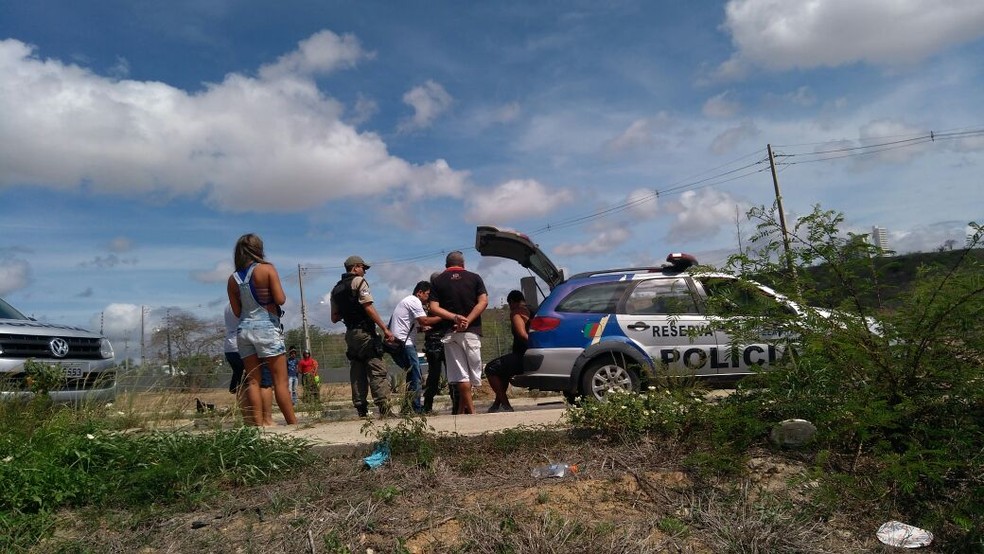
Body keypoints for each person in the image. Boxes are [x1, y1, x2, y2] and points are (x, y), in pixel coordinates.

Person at [227, 233, 297, 425]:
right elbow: (280, 299)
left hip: (244, 330)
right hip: (266, 327)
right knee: (280, 381)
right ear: (258, 249)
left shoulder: (232, 279)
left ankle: (258, 426)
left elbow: (236, 311)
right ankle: (292, 423)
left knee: (253, 381)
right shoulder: (267, 269)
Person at [331, 255, 394, 417]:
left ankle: (361, 409)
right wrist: (385, 328)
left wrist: (348, 310)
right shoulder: (359, 282)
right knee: (376, 367)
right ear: (355, 268)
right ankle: (384, 408)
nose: (365, 271)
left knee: (357, 370)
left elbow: (334, 318)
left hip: (350, 334)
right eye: (363, 268)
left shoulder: (335, 289)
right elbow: (368, 307)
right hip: (365, 333)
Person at [428, 251, 488, 415]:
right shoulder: (475, 278)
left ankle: (462, 410)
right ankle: (472, 412)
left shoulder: (438, 281)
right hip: (471, 331)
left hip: (451, 332)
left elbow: (433, 308)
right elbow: (483, 302)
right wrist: (467, 320)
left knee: (462, 374)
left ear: (446, 265)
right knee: (471, 374)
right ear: (463, 264)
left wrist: (455, 318)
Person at [388, 281, 442, 413]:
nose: (428, 298)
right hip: (405, 344)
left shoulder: (407, 301)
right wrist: (443, 316)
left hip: (399, 344)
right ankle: (416, 408)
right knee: (416, 376)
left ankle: (408, 407)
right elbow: (424, 321)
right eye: (427, 294)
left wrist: (423, 328)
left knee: (411, 375)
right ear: (420, 293)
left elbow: (416, 326)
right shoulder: (414, 301)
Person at [224, 303, 275, 425]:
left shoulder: (228, 305)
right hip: (248, 345)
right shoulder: (248, 301)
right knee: (264, 382)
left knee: (242, 384)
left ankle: (248, 420)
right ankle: (266, 420)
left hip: (230, 346)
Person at [485, 290, 530, 413]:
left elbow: (522, 334)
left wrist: (531, 345)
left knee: (490, 368)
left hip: (522, 355)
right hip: (532, 354)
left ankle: (506, 405)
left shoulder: (517, 313)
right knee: (503, 372)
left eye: (509, 304)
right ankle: (496, 405)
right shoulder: (533, 311)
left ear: (512, 302)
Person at [422, 275, 453, 414]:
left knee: (435, 375)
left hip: (436, 341)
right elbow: (424, 321)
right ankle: (456, 405)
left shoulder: (431, 300)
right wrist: (446, 315)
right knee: (448, 374)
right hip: (442, 339)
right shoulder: (442, 299)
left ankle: (428, 407)